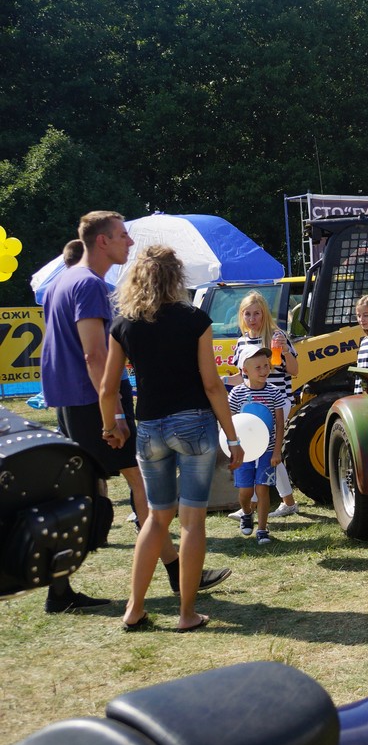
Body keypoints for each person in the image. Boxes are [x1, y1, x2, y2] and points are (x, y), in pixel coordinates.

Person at [40, 212, 230, 614]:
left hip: (78, 403)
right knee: (151, 501)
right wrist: (116, 419)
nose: (129, 242)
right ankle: (180, 585)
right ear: (102, 241)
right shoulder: (91, 285)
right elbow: (95, 358)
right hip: (99, 404)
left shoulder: (62, 281)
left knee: (93, 495)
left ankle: (76, 590)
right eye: (123, 235)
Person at [100, 244, 244, 632]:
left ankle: (133, 609)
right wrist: (233, 438)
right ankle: (185, 614)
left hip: (149, 429)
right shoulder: (195, 318)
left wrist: (111, 427)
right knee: (193, 522)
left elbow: (107, 389)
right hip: (194, 424)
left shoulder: (123, 324)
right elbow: (213, 385)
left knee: (156, 519)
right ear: (176, 277)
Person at [226, 291, 301, 520]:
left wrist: (285, 351)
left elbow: (295, 371)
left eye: (256, 313)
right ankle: (284, 502)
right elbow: (243, 378)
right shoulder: (241, 342)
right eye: (247, 314)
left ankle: (257, 504)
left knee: (265, 449)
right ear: (241, 316)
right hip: (252, 404)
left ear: (264, 314)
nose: (252, 318)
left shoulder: (276, 336)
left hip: (277, 400)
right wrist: (220, 382)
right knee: (260, 450)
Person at [227, 346, 287, 545]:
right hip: (245, 451)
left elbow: (279, 424)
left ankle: (262, 529)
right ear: (245, 370)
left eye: (266, 366)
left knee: (262, 489)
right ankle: (246, 512)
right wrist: (232, 448)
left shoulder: (274, 393)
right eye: (258, 367)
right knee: (245, 491)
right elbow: (231, 423)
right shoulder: (236, 394)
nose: (263, 371)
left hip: (267, 450)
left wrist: (276, 451)